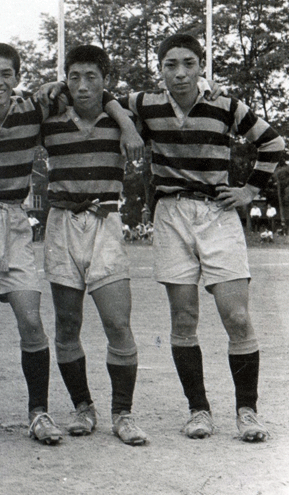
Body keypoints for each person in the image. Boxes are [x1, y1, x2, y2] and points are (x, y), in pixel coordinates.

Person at [0, 43, 142, 445]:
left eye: (6, 74)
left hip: (55, 219)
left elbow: (98, 96)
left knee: (42, 322)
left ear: (18, 78)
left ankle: (65, 412)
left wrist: (126, 122)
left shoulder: (47, 111)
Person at [119, 33, 283, 442]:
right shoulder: (145, 104)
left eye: (188, 64)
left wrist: (249, 190)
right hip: (171, 215)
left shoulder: (225, 105)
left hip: (217, 214)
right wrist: (126, 126)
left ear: (201, 67)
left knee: (237, 317)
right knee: (184, 317)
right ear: (160, 70)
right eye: (170, 65)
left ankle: (247, 411)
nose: (180, 73)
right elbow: (104, 102)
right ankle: (199, 410)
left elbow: (273, 142)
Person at [41, 45, 147, 446]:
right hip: (61, 223)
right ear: (65, 80)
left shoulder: (125, 119)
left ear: (106, 81)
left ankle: (123, 413)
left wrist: (125, 121)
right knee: (67, 324)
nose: (82, 86)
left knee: (117, 323)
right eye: (74, 77)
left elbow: (132, 107)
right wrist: (46, 90)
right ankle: (83, 407)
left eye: (92, 77)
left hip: (105, 222)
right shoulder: (49, 118)